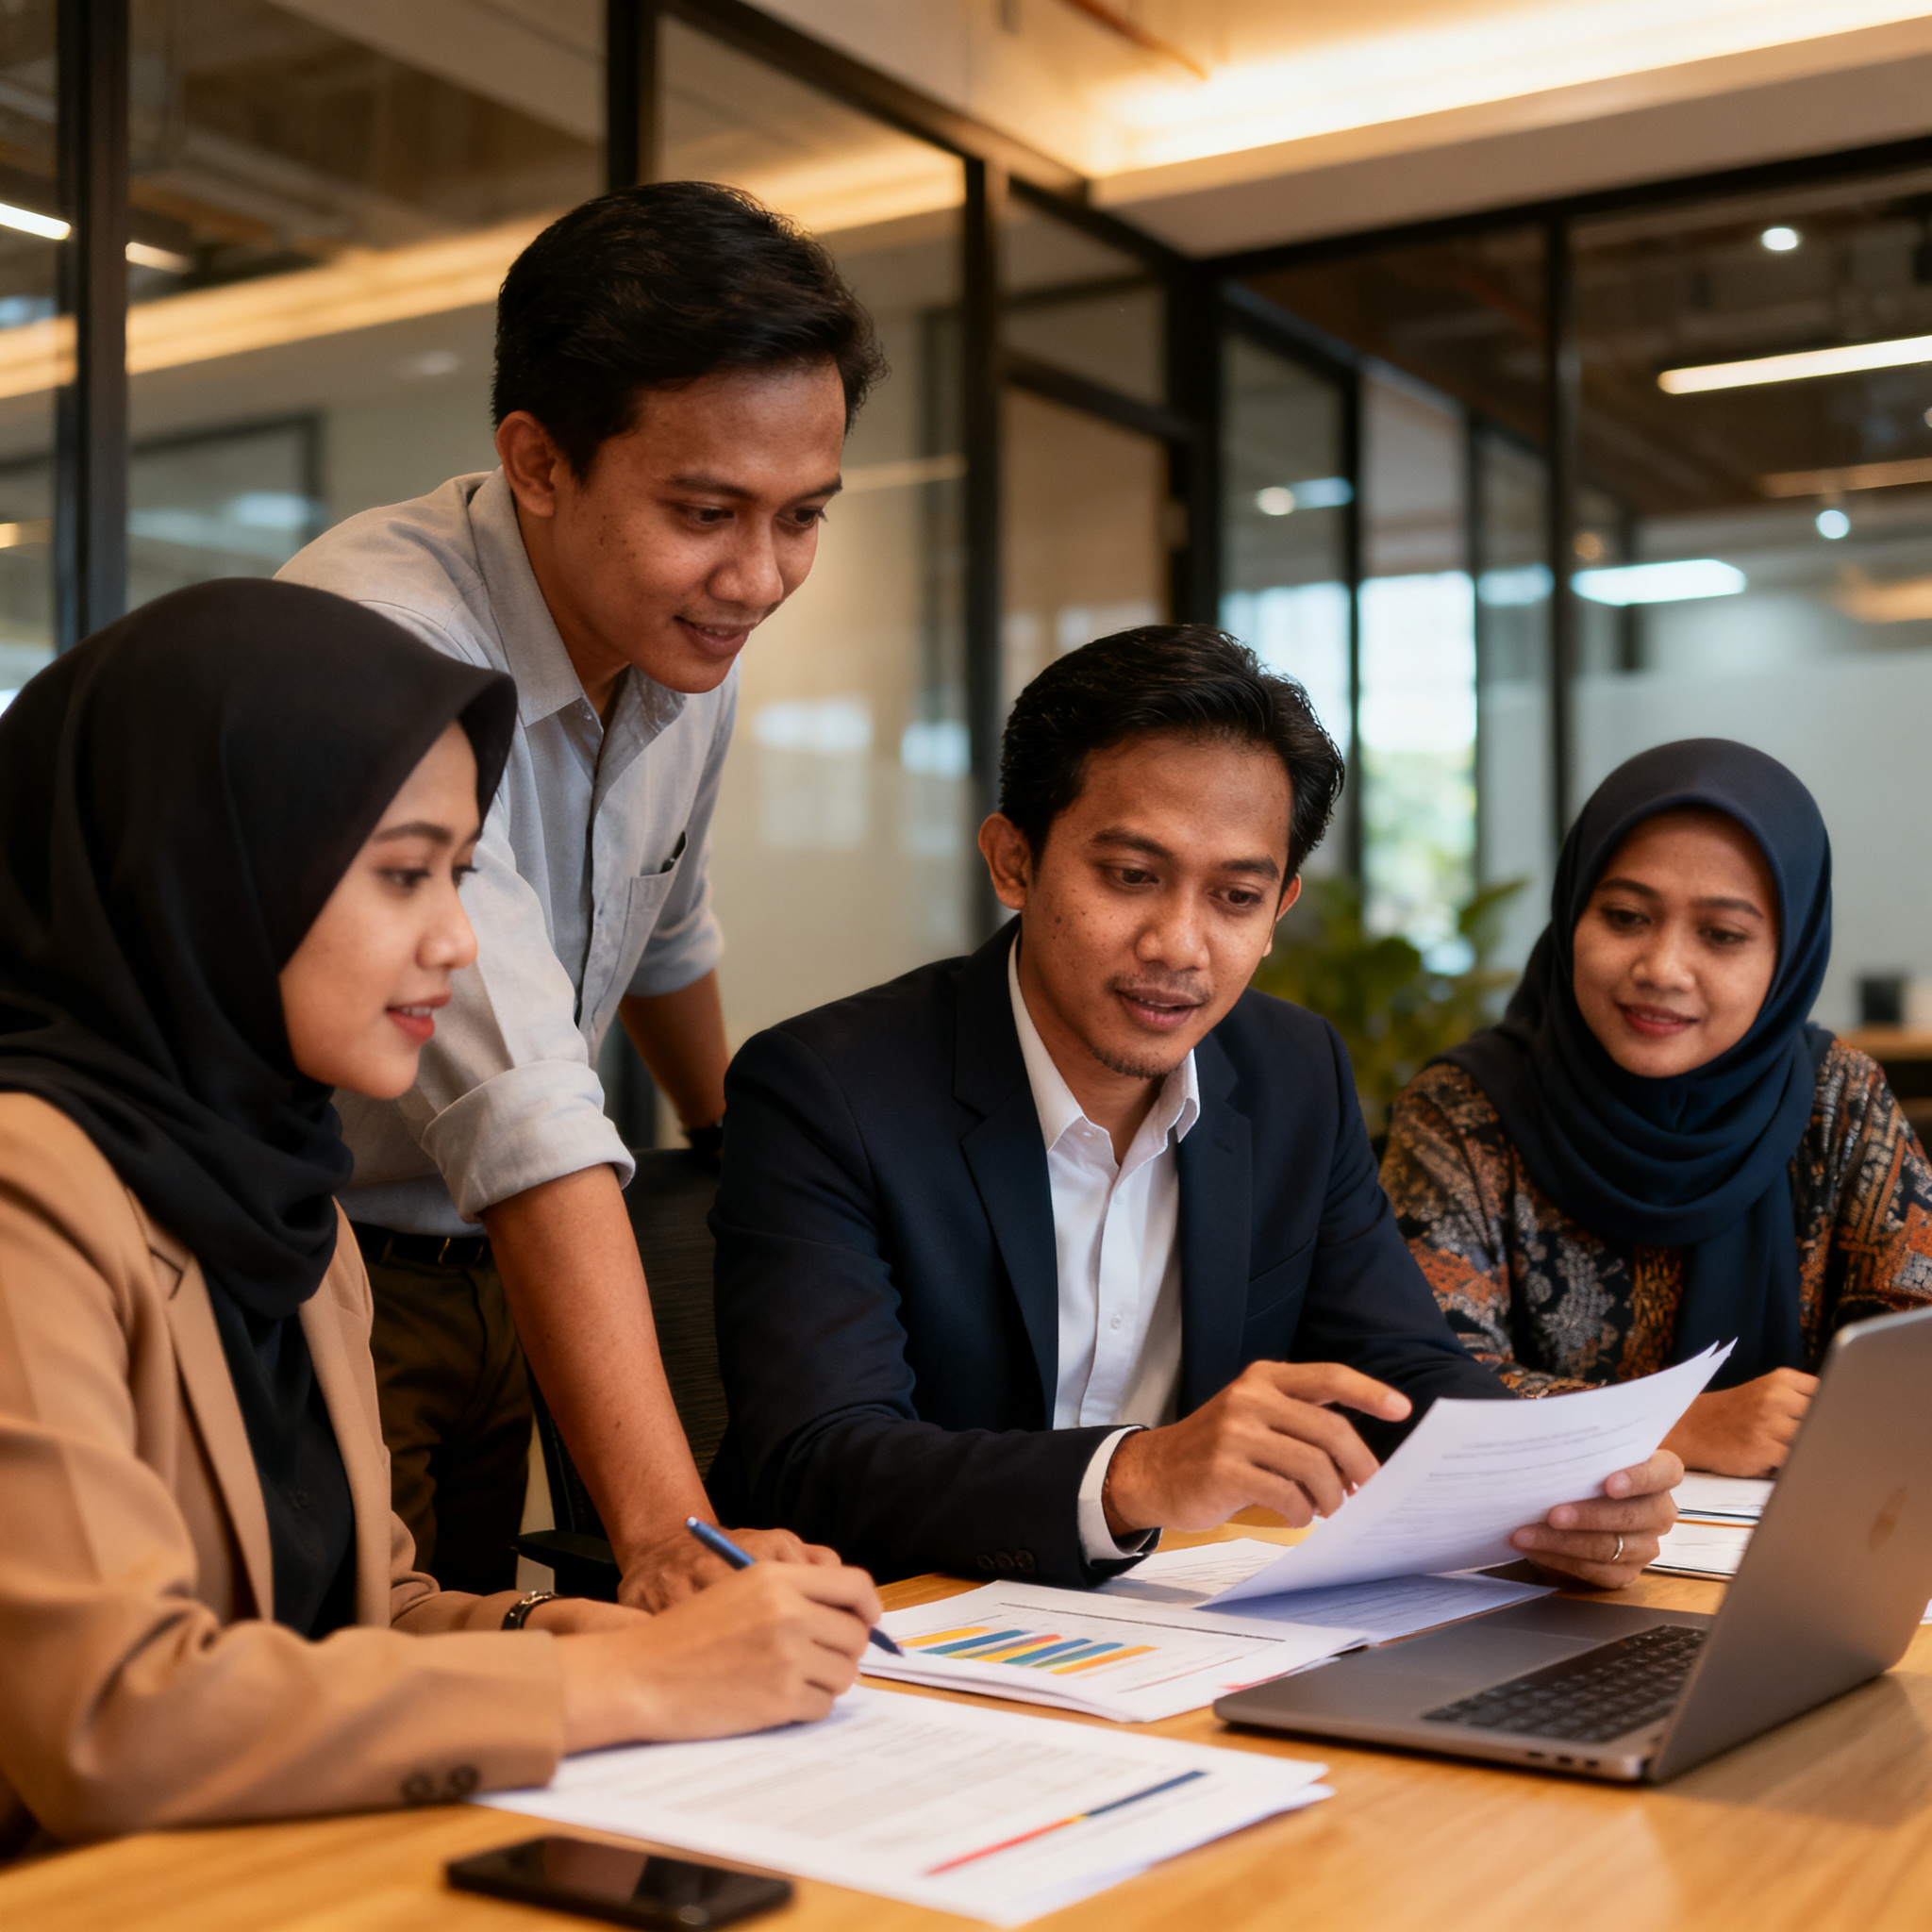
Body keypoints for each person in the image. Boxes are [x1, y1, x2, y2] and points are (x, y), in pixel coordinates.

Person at [0, 582, 880, 1849]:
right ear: (204, 865)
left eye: (459, 875)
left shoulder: (289, 1196)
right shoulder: (30, 1183)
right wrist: (628, 1685)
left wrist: (572, 1629)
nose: (458, 942)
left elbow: (364, 1616)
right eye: (404, 875)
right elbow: (113, 1719)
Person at [708, 625, 1678, 1588]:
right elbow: (820, 1461)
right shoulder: (825, 1088)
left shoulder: (1291, 1071)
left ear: (1279, 907)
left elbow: (1398, 1371)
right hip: (901, 1630)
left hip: (1182, 1626)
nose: (1179, 944)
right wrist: (1140, 1474)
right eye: (1130, 876)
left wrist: (1558, 1484)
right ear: (1012, 860)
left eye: (1234, 897)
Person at [278, 181, 886, 1604]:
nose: (758, 578)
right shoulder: (388, 650)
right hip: (320, 1268)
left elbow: (668, 929)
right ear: (539, 462)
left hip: (500, 1272)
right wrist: (677, 1539)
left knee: (491, 1720)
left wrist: (737, 1151)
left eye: (802, 517)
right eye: (706, 512)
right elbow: (527, 1108)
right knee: (366, 1695)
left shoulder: (676, 641)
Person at [1381, 738, 1932, 1478]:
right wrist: (1682, 1425)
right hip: (1521, 1562)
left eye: (1722, 935)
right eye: (1626, 917)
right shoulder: (1465, 1112)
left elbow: (1911, 1358)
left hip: (1787, 1560)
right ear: (1574, 911)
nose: (1662, 969)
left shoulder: (1839, 1103)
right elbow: (1420, 1389)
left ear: (1790, 954)